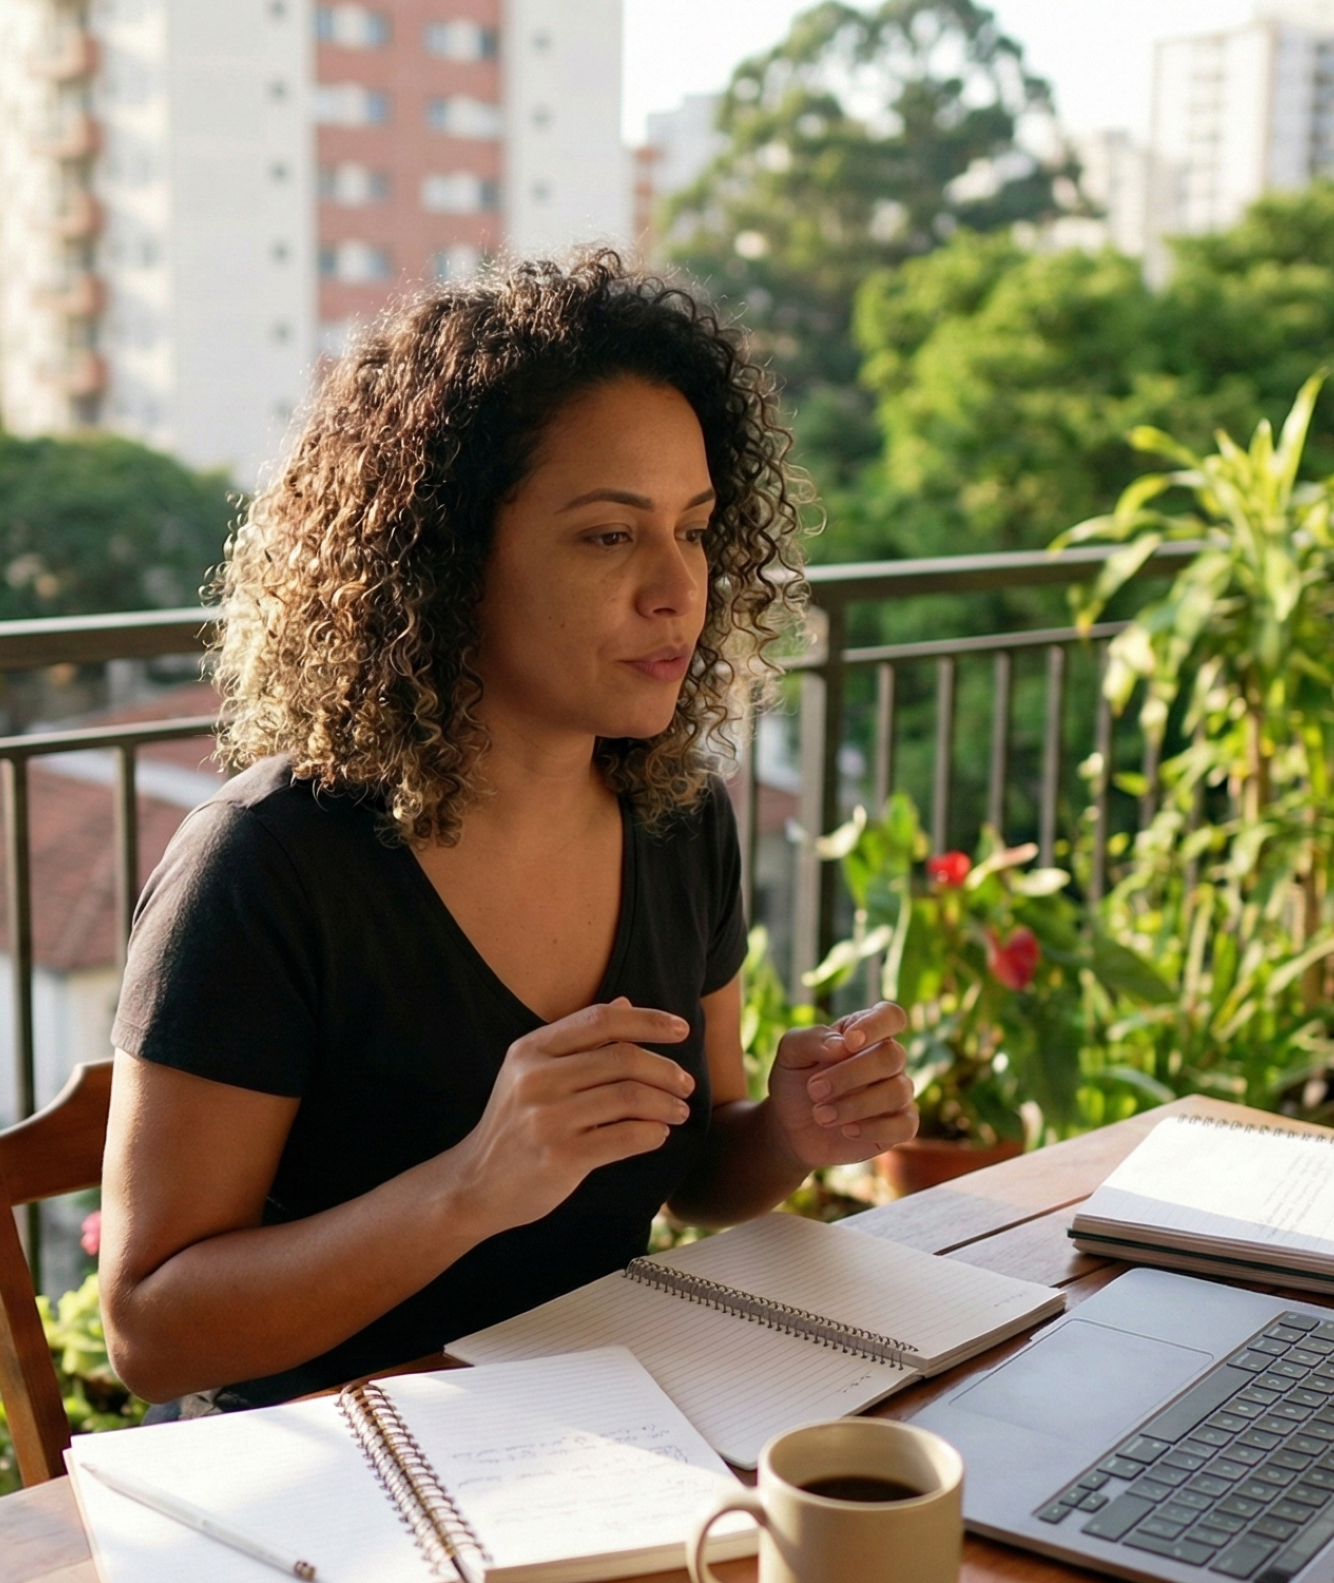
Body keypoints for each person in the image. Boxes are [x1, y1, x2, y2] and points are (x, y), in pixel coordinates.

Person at [97, 251, 918, 1413]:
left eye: (694, 530)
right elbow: (151, 1331)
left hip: (612, 1430)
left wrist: (785, 1133)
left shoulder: (680, 821)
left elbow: (697, 1179)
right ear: (441, 559)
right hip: (344, 1492)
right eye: (606, 536)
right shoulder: (266, 866)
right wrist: (472, 1185)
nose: (677, 590)